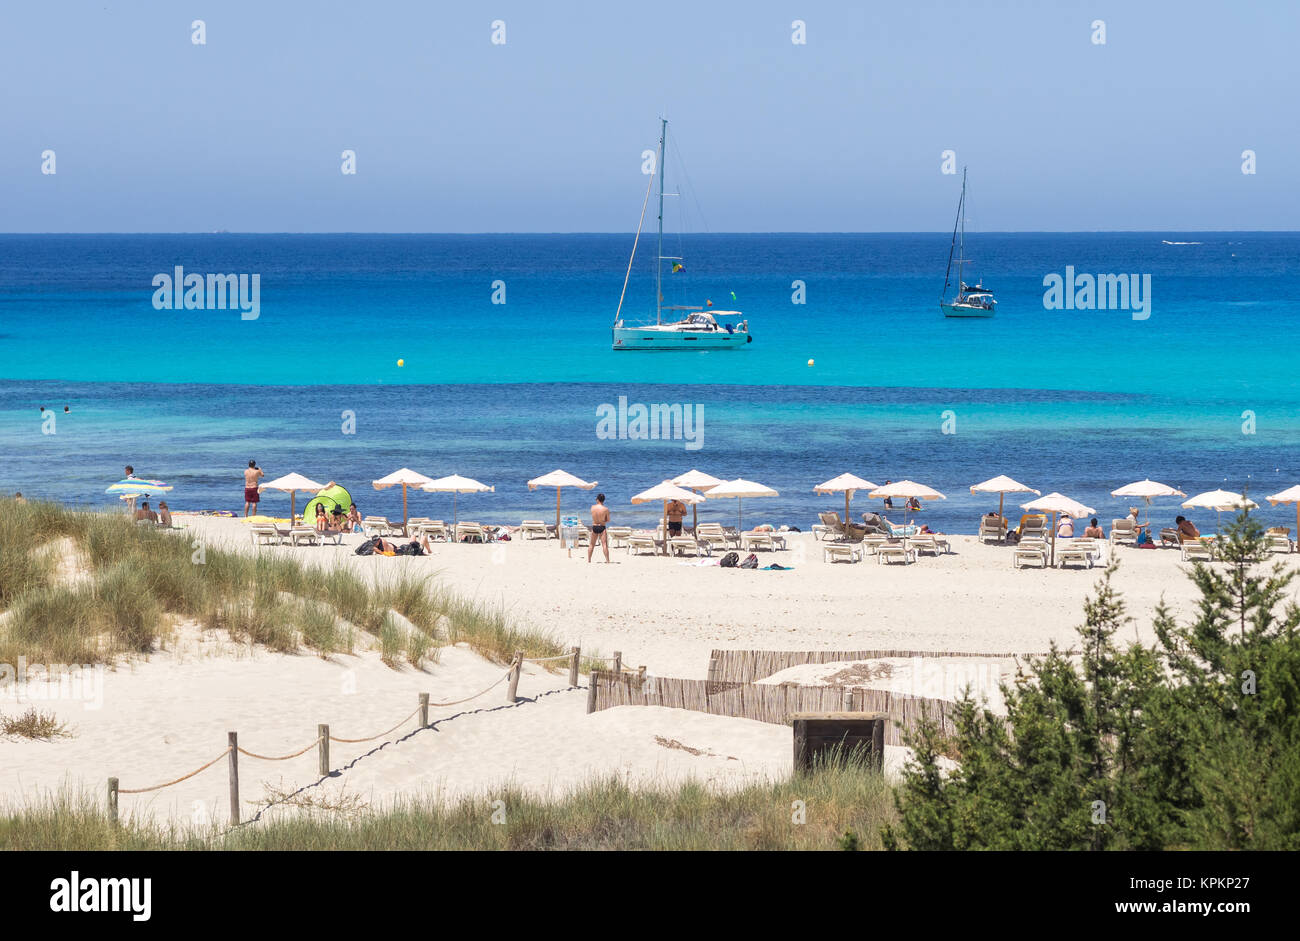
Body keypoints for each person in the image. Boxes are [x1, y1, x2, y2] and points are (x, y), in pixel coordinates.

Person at [587, 493, 610, 563]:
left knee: (591, 545)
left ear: (597, 499)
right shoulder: (605, 509)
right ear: (604, 500)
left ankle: (589, 560)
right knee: (604, 545)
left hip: (594, 526)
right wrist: (603, 520)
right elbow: (608, 520)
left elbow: (593, 515)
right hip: (602, 527)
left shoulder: (592, 507)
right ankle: (607, 560)